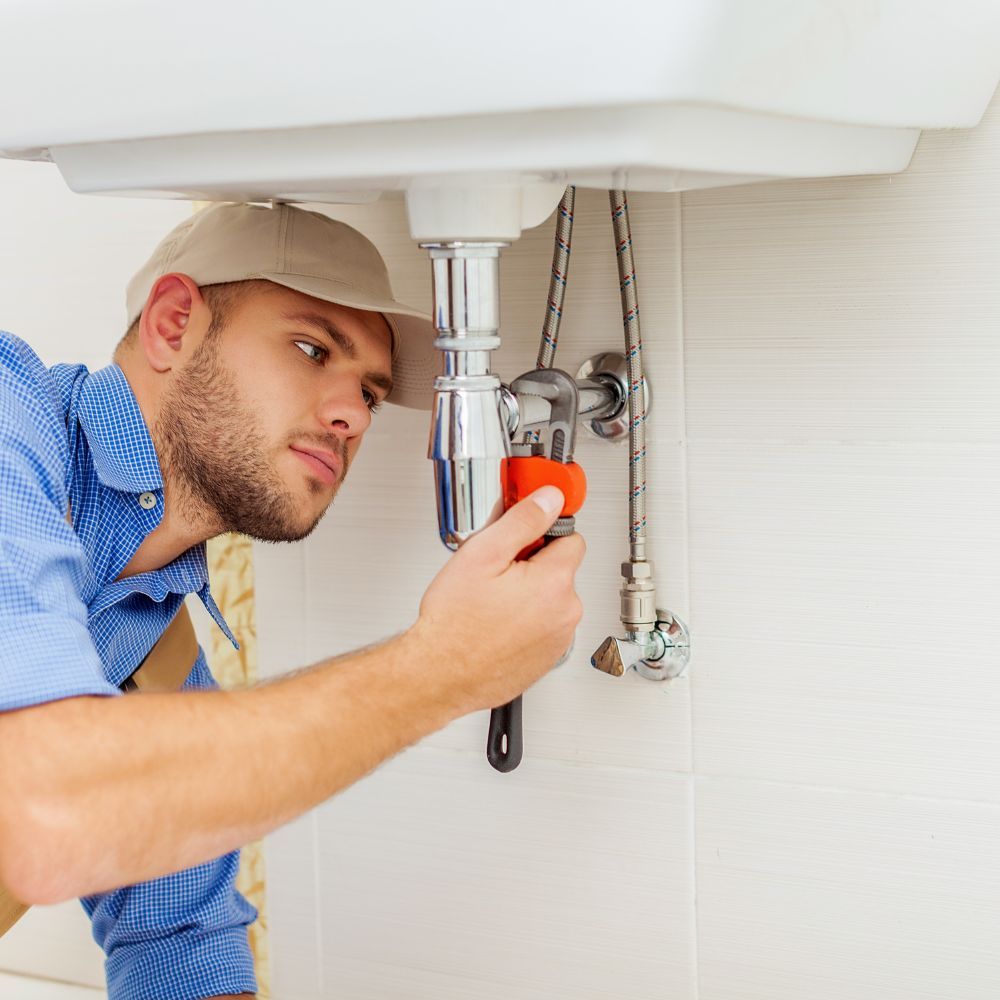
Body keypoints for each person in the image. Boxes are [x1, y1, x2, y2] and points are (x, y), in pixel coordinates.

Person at [0, 203, 585, 999]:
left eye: (370, 396)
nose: (349, 416)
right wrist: (442, 667)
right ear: (173, 325)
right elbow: (46, 814)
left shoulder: (150, 639)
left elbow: (181, 946)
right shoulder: (9, 419)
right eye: (311, 349)